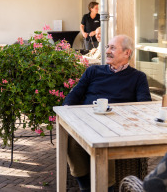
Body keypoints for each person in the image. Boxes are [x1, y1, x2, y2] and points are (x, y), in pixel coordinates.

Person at [63, 34, 152, 191]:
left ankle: (107, 187)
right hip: (88, 120)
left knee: (104, 140)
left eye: (112, 48)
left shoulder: (138, 77)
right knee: (72, 139)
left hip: (117, 125)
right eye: (107, 47)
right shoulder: (93, 71)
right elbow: (75, 93)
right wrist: (66, 110)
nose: (107, 51)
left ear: (127, 53)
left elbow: (144, 106)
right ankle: (85, 186)